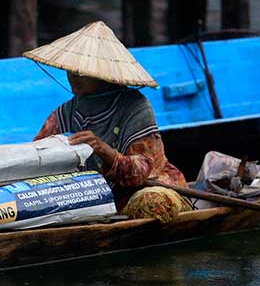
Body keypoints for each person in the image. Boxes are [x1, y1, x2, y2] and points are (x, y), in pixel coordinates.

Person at [26, 21, 187, 209]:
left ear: (102, 73)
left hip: (145, 191)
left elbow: (139, 173)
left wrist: (103, 150)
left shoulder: (136, 107)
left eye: (80, 72)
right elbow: (36, 155)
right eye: (70, 70)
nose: (72, 77)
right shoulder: (64, 113)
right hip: (91, 200)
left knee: (151, 204)